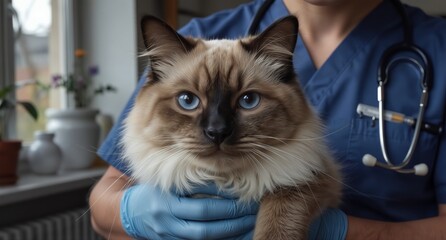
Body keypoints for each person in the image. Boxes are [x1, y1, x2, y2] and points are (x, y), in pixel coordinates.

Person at [89, 0, 446, 239]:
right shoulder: (198, 40)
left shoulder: (438, 49)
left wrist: (338, 231)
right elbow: (101, 207)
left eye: (247, 100)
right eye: (189, 100)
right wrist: (135, 212)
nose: (216, 129)